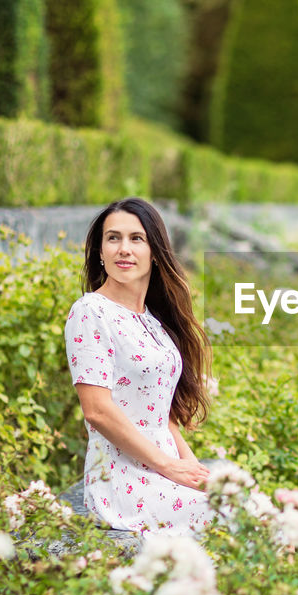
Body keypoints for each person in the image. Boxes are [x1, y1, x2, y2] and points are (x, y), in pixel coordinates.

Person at [64, 198, 214, 535]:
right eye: (113, 238)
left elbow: (163, 417)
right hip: (122, 484)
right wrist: (169, 467)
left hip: (162, 472)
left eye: (137, 239)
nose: (123, 249)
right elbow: (97, 411)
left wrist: (190, 467)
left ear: (156, 253)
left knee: (243, 501)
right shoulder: (91, 312)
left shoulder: (154, 322)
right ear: (100, 252)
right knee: (230, 515)